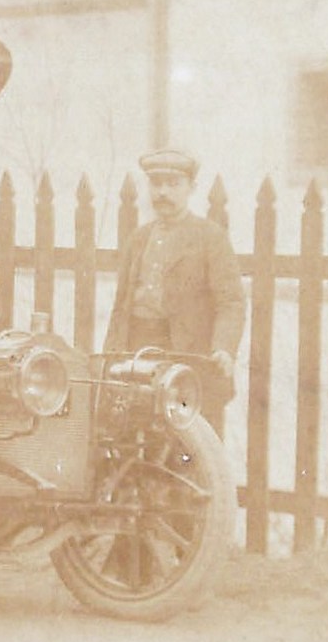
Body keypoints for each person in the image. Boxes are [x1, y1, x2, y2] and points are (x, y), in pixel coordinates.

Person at [104, 149, 245, 432]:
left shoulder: (210, 238)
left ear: (191, 188)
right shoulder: (139, 239)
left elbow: (230, 302)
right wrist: (111, 356)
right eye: (156, 184)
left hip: (188, 355)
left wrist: (224, 349)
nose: (163, 192)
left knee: (188, 445)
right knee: (134, 438)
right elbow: (121, 307)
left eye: (173, 184)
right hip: (139, 350)